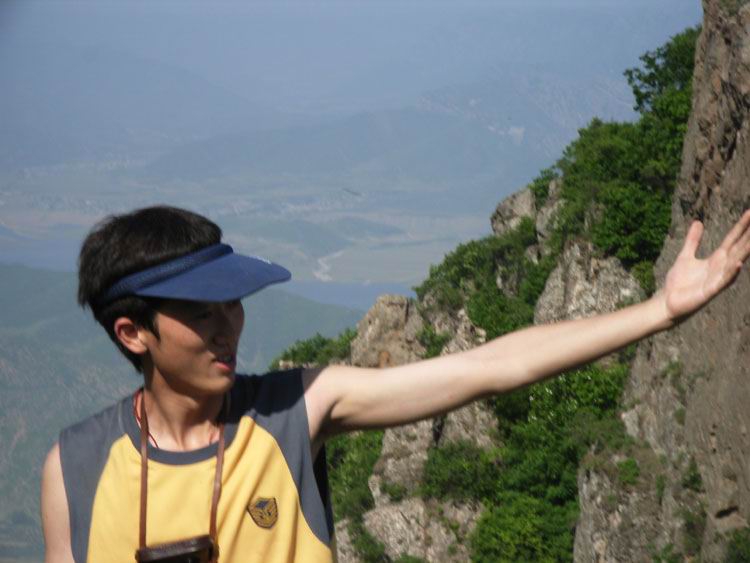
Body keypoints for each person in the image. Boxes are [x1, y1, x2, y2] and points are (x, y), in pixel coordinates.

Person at [40, 205, 750, 562]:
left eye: (233, 303)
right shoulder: (75, 467)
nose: (229, 327)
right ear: (132, 333)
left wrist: (659, 311)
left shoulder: (294, 411)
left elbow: (489, 368)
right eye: (201, 313)